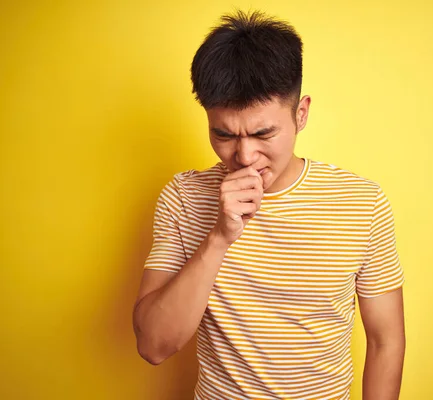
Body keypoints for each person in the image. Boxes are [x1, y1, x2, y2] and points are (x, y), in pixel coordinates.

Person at [133, 9, 406, 400]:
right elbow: (153, 346)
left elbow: (386, 342)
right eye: (223, 134)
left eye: (264, 133)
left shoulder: (362, 203)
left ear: (301, 113)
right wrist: (219, 237)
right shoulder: (183, 198)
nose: (244, 156)